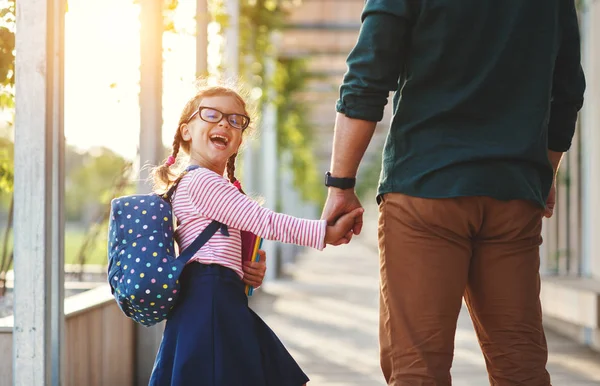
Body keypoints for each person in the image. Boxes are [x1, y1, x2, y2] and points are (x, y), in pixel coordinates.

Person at [321, 1, 586, 385]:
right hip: (511, 194)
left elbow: (367, 76)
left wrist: (341, 185)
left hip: (426, 188)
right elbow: (567, 90)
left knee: (417, 368)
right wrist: (543, 173)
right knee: (520, 363)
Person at [148, 83, 362, 386]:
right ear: (186, 131)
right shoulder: (203, 182)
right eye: (211, 114)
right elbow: (264, 221)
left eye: (236, 120)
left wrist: (246, 270)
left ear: (237, 142)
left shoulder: (195, 183)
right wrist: (324, 233)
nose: (224, 122)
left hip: (213, 299)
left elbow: (217, 248)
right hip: (211, 304)